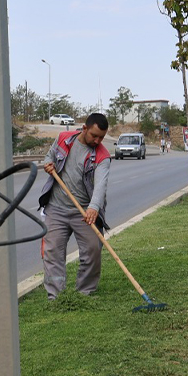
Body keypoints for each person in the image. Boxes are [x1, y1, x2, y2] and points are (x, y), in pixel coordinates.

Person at [37, 112, 112, 299]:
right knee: (52, 253)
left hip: (84, 211)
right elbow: (49, 157)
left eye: (101, 137)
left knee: (93, 249)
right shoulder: (64, 139)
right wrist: (48, 164)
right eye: (94, 135)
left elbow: (101, 185)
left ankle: (84, 292)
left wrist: (93, 207)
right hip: (56, 207)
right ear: (84, 128)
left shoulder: (102, 156)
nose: (97, 140)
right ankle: (56, 296)